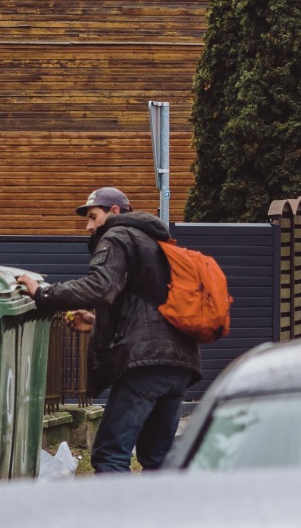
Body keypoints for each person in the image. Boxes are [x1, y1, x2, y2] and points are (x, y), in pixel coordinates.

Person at [16, 188, 201, 473]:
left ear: (114, 212)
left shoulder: (118, 235)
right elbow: (145, 304)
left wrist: (43, 293)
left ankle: (117, 518)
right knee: (158, 458)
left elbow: (100, 287)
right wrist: (96, 321)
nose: (89, 227)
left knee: (109, 455)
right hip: (180, 363)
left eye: (93, 217)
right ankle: (168, 517)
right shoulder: (158, 244)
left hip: (146, 364)